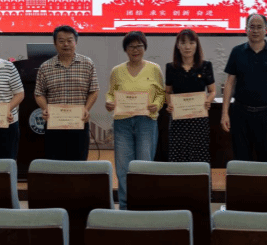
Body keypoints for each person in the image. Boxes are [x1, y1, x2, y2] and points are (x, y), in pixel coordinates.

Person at [105, 31, 165, 210]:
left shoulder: (154, 69)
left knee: (144, 166)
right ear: (125, 49)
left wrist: (156, 105)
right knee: (123, 168)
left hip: (146, 122)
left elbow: (161, 93)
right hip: (122, 123)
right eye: (131, 46)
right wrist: (109, 102)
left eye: (139, 46)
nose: (135, 50)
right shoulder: (117, 71)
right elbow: (111, 93)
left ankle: (144, 206)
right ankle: (125, 207)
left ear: (144, 48)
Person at [221, 13, 267, 162]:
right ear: (246, 29)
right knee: (241, 158)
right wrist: (224, 113)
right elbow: (229, 83)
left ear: (266, 29)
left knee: (266, 159)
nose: (255, 31)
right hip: (241, 113)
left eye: (259, 27)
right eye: (252, 27)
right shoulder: (237, 52)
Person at [35, 25, 99, 161]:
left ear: (76, 42)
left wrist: (86, 109)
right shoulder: (45, 67)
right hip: (54, 123)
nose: (66, 44)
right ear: (55, 44)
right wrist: (45, 108)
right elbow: (39, 93)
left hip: (79, 122)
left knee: (78, 162)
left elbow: (94, 91)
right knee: (55, 162)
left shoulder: (87, 64)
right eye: (61, 41)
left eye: (70, 40)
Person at [165, 29, 216, 162]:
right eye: (183, 43)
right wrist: (169, 103)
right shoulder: (171, 68)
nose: (187, 47)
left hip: (199, 119)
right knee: (178, 154)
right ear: (178, 46)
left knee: (199, 154)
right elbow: (168, 92)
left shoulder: (205, 66)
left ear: (196, 45)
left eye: (191, 43)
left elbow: (212, 91)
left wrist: (208, 100)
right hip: (178, 119)